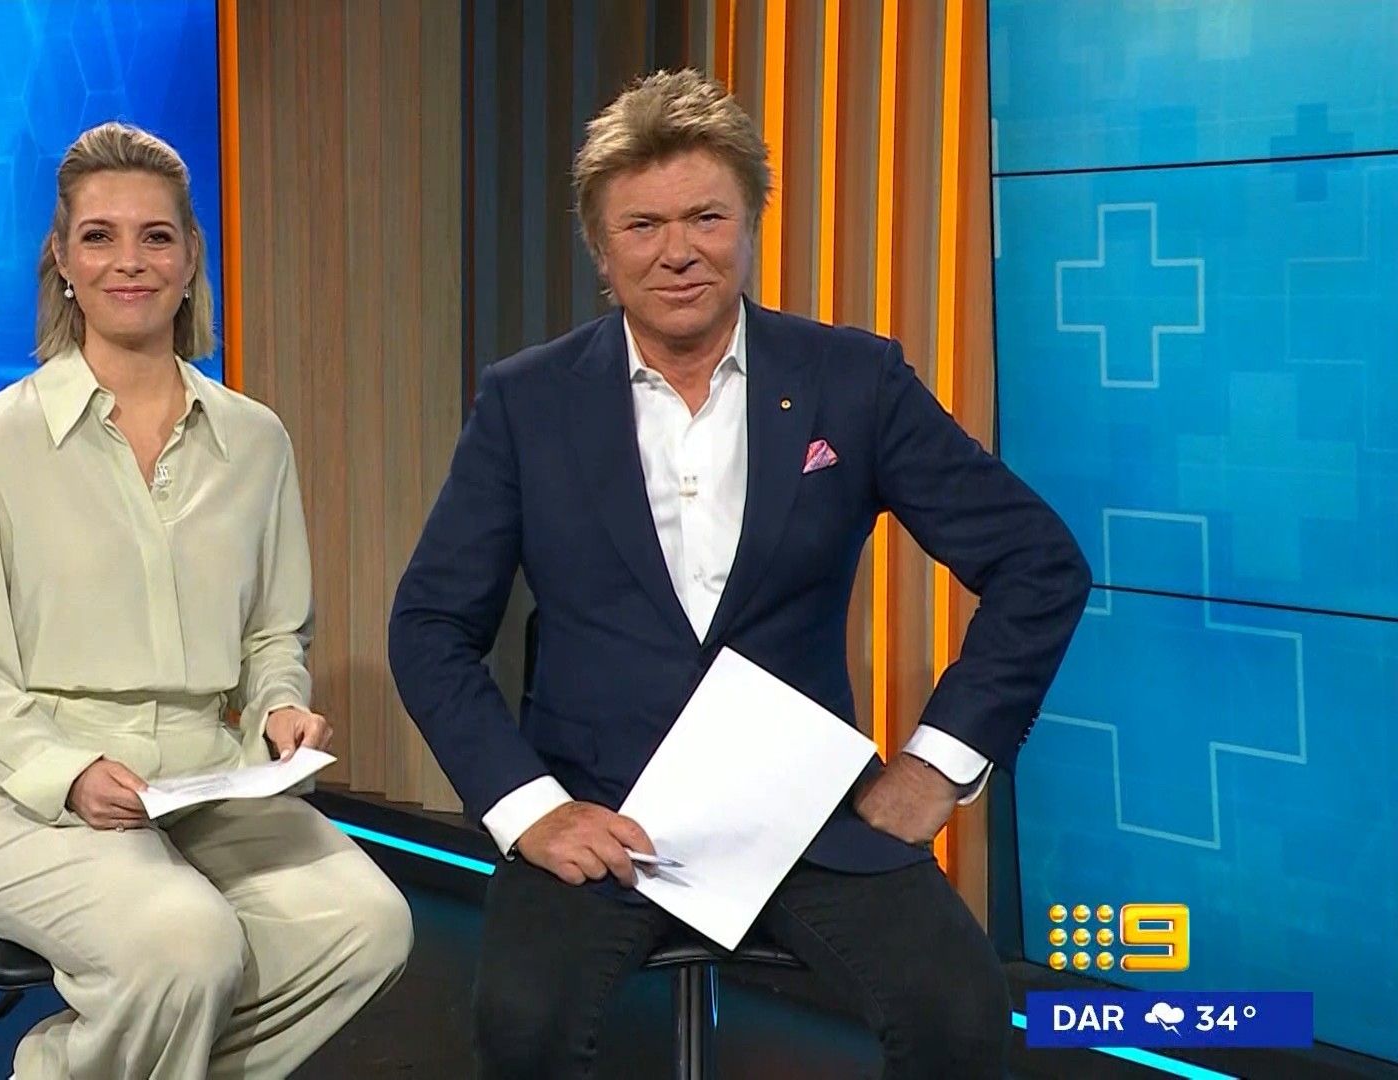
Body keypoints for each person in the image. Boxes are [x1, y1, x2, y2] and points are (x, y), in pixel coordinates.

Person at [389, 70, 1089, 1078]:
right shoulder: (527, 402)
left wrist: (937, 766)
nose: (677, 251)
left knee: (961, 1016)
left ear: (750, 224)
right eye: (643, 226)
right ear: (601, 249)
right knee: (522, 1029)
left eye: (706, 217)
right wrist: (528, 806)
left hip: (807, 818)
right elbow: (428, 626)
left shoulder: (852, 381)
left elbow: (1037, 562)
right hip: (598, 813)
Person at [0, 121, 412, 1080]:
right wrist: (66, 773)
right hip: (16, 789)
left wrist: (279, 708)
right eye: (98, 237)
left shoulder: (256, 441)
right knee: (186, 945)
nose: (129, 261)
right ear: (63, 262)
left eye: (155, 236)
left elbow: (273, 635)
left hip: (201, 779)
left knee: (368, 929)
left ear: (189, 259)